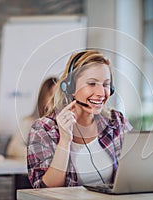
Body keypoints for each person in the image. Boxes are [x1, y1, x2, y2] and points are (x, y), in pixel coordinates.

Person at [27, 50, 133, 188]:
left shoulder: (116, 121)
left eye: (106, 84)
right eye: (92, 83)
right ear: (70, 87)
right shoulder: (43, 129)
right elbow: (46, 191)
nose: (101, 93)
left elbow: (138, 169)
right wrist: (64, 141)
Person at [6, 77, 58, 158]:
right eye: (51, 95)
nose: (55, 100)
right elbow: (13, 149)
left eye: (58, 96)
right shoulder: (28, 122)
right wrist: (41, 153)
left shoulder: (63, 125)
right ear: (43, 97)